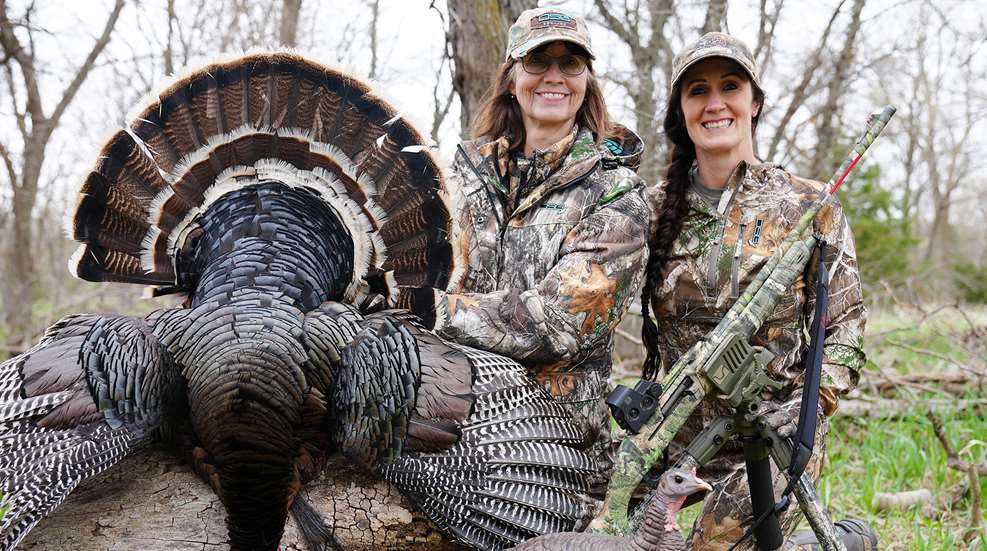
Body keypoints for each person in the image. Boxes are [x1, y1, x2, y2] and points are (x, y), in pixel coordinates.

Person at [401, 6, 650, 511]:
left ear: (587, 84)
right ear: (512, 76)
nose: (554, 76)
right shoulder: (459, 179)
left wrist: (432, 309)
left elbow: (559, 322)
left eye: (571, 62)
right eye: (538, 61)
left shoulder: (616, 194)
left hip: (553, 449)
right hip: (448, 419)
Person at [638, 32, 875, 550]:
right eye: (697, 90)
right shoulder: (647, 210)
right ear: (681, 110)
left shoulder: (810, 205)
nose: (715, 102)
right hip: (678, 441)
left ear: (755, 102)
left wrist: (811, 407)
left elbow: (847, 325)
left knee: (703, 546)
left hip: (771, 438)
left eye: (731, 86)